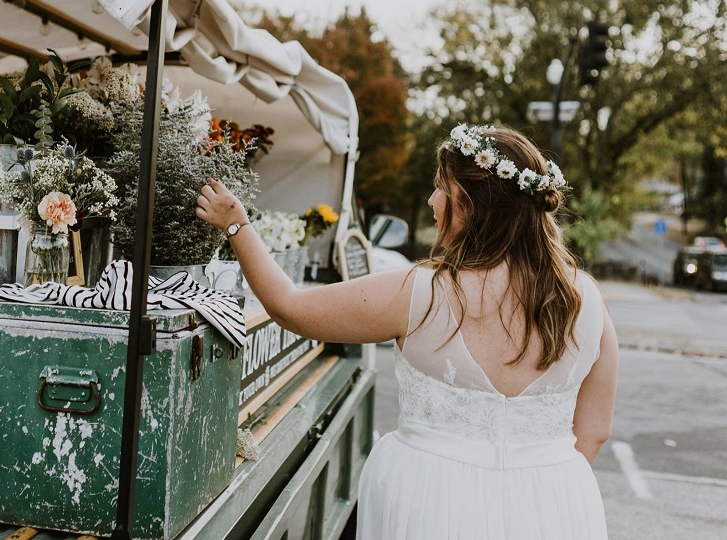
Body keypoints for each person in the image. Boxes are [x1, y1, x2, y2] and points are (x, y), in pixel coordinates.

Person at [196, 123, 618, 539]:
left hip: (431, 503)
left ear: (471, 204)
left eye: (441, 187)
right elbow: (594, 431)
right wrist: (527, 490)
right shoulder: (588, 301)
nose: (432, 201)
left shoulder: (422, 292)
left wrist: (237, 225)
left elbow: (290, 309)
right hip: (554, 504)